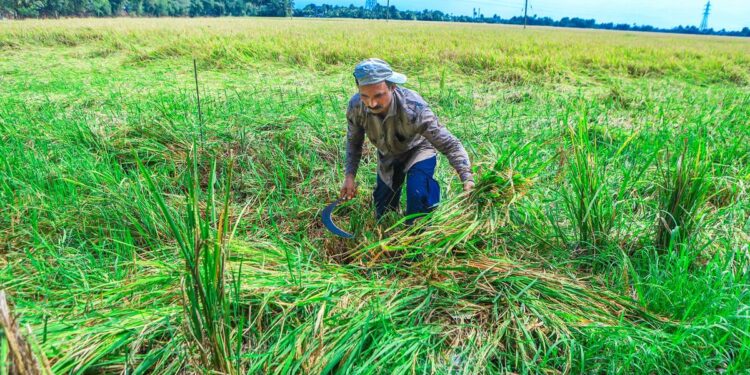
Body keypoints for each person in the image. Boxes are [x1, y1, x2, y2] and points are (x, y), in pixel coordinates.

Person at [340, 58, 474, 224]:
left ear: (393, 87)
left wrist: (467, 178)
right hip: (388, 154)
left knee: (418, 197)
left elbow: (450, 145)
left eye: (379, 95)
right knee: (383, 214)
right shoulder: (356, 107)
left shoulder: (414, 108)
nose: (371, 103)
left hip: (418, 150)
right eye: (364, 96)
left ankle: (417, 235)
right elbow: (354, 143)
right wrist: (349, 176)